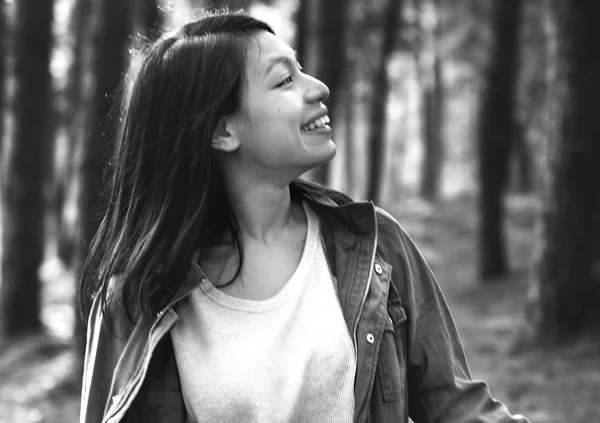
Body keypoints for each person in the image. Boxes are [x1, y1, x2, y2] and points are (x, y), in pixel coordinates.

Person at [79, 10, 529, 423]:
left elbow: (460, 409)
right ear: (222, 130)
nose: (318, 87)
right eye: (284, 81)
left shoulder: (375, 246)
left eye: (301, 71)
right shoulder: (135, 296)